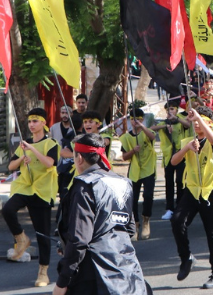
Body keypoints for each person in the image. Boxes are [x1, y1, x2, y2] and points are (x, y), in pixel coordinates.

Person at [53, 133, 148, 295]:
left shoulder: (84, 185)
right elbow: (130, 228)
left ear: (80, 158)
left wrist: (62, 282)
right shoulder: (123, 182)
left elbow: (79, 240)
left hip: (94, 275)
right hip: (126, 269)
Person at [170, 105, 213, 289]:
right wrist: (187, 148)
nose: (196, 125)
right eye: (194, 121)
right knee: (177, 220)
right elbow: (173, 161)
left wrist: (199, 118)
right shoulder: (188, 140)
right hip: (193, 190)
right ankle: (186, 257)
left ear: (210, 123)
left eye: (200, 121)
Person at [2, 108, 58, 287]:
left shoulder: (51, 143)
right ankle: (21, 238)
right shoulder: (23, 146)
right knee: (8, 209)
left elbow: (50, 163)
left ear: (43, 123)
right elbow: (11, 166)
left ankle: (43, 271)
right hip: (26, 187)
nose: (32, 124)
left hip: (42, 191)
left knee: (42, 234)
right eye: (30, 121)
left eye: (35, 121)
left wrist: (32, 149)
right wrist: (22, 160)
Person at [120, 108, 157, 241]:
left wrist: (142, 126)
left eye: (139, 119)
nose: (136, 122)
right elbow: (124, 157)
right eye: (134, 120)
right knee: (133, 199)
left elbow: (153, 137)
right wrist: (132, 151)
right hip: (135, 170)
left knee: (148, 195)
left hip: (148, 168)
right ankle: (135, 224)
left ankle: (146, 220)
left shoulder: (147, 132)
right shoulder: (126, 137)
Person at [152, 100, 191, 220]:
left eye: (172, 109)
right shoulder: (164, 122)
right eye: (168, 110)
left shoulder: (181, 121)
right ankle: (169, 208)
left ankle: (180, 207)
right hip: (168, 156)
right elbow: (152, 128)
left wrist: (176, 119)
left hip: (181, 155)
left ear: (177, 110)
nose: (170, 112)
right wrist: (166, 125)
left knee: (180, 181)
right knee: (169, 182)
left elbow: (188, 125)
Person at [51, 106, 76, 199]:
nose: (65, 115)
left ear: (71, 114)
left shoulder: (74, 129)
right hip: (57, 163)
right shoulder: (54, 128)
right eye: (63, 113)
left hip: (71, 165)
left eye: (67, 113)